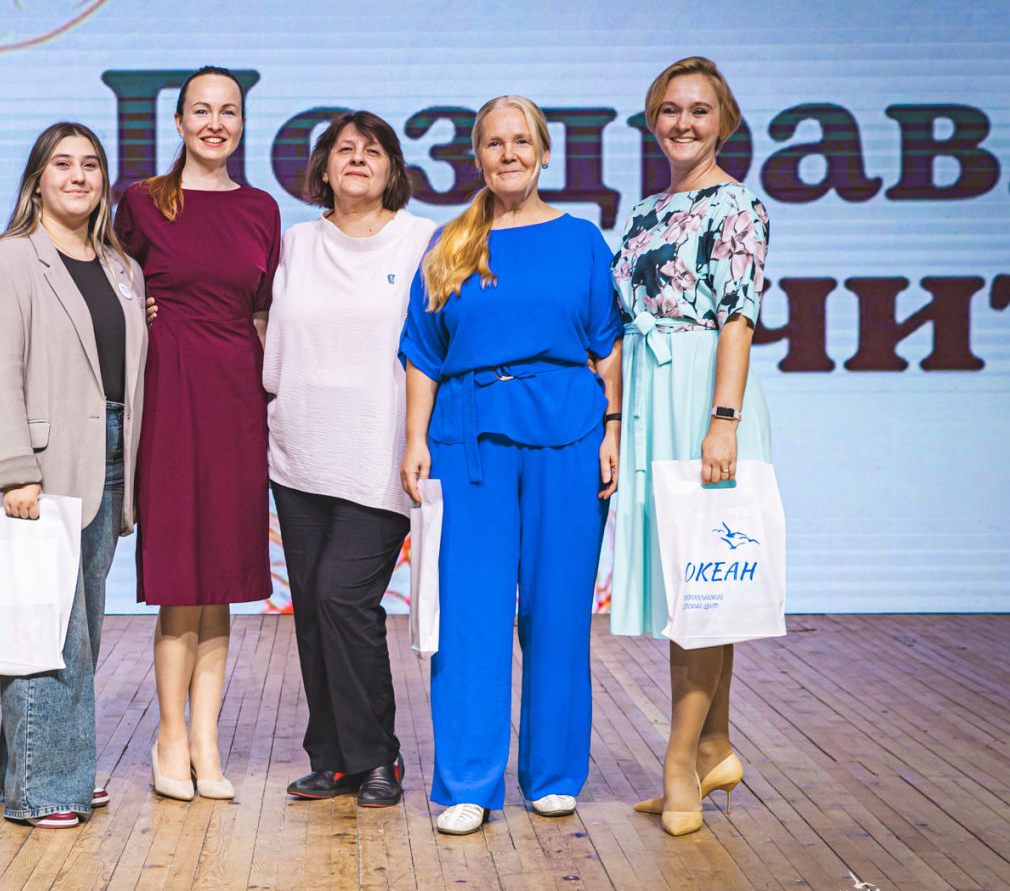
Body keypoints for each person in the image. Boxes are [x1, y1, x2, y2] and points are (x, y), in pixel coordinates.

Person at [398, 95, 623, 836]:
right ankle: (468, 782)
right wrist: (414, 439)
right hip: (468, 438)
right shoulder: (450, 242)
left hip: (570, 433)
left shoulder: (581, 240)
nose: (509, 154)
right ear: (478, 156)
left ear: (544, 152)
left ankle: (553, 774)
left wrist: (613, 428)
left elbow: (606, 344)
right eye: (494, 143)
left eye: (521, 141)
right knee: (471, 611)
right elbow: (422, 352)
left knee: (558, 606)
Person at [610, 56, 773, 837]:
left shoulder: (737, 204)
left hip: (705, 398)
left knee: (703, 590)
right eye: (670, 110)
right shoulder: (645, 211)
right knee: (701, 587)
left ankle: (679, 762)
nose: (683, 122)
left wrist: (724, 418)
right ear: (653, 121)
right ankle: (713, 745)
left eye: (699, 110)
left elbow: (737, 317)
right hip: (651, 398)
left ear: (724, 123)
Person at [0, 123, 148, 828]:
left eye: (91, 164)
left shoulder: (122, 268)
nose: (79, 175)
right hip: (41, 464)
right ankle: (45, 789)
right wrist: (14, 469)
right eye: (63, 164)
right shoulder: (8, 259)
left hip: (108, 455)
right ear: (37, 180)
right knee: (48, 627)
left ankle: (42, 765)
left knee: (82, 626)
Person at [115, 66, 281, 802]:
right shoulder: (141, 201)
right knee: (182, 578)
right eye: (202, 111)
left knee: (222, 582)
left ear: (242, 123)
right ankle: (169, 737)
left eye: (229, 111)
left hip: (237, 398)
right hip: (171, 393)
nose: (216, 123)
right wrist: (140, 312)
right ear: (178, 122)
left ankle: (207, 739)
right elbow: (110, 283)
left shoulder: (262, 208)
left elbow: (263, 313)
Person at [263, 112, 434, 808]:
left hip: (379, 451)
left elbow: (434, 343)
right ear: (324, 168)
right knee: (312, 608)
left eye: (372, 150)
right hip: (298, 450)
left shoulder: (423, 240)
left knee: (343, 596)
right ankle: (332, 758)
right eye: (344, 150)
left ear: (392, 169)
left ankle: (376, 755)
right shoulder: (295, 243)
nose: (358, 159)